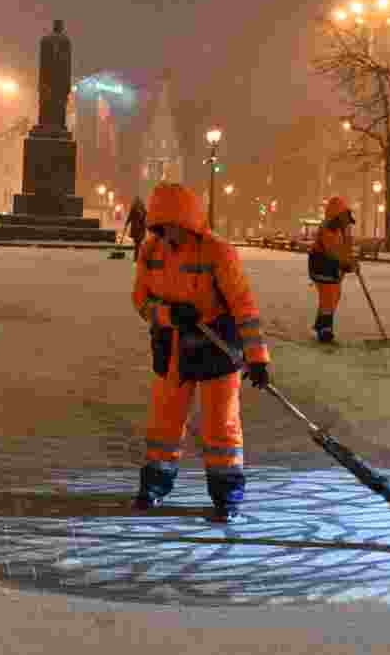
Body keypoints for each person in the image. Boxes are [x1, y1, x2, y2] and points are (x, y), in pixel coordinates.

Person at [131, 182, 270, 523]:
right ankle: (155, 484)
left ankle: (227, 494)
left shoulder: (217, 252)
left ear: (189, 222)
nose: (169, 234)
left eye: (175, 226)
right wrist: (168, 315)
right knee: (164, 422)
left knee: (220, 425)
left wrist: (257, 358)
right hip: (173, 348)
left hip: (217, 347)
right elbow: (140, 301)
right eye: (163, 227)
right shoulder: (151, 252)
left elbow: (244, 307)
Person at [308, 196, 358, 343]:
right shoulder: (328, 228)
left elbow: (345, 250)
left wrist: (351, 261)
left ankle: (320, 325)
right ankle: (325, 329)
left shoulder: (344, 228)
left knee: (334, 296)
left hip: (333, 268)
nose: (346, 222)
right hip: (321, 266)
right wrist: (346, 265)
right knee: (328, 297)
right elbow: (332, 252)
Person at [123, 195, 147, 262]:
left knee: (138, 244)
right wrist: (126, 224)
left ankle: (137, 257)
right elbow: (130, 217)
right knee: (138, 244)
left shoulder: (142, 209)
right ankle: (137, 257)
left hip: (139, 229)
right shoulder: (136, 209)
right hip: (137, 229)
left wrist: (126, 224)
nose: (137, 203)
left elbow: (145, 218)